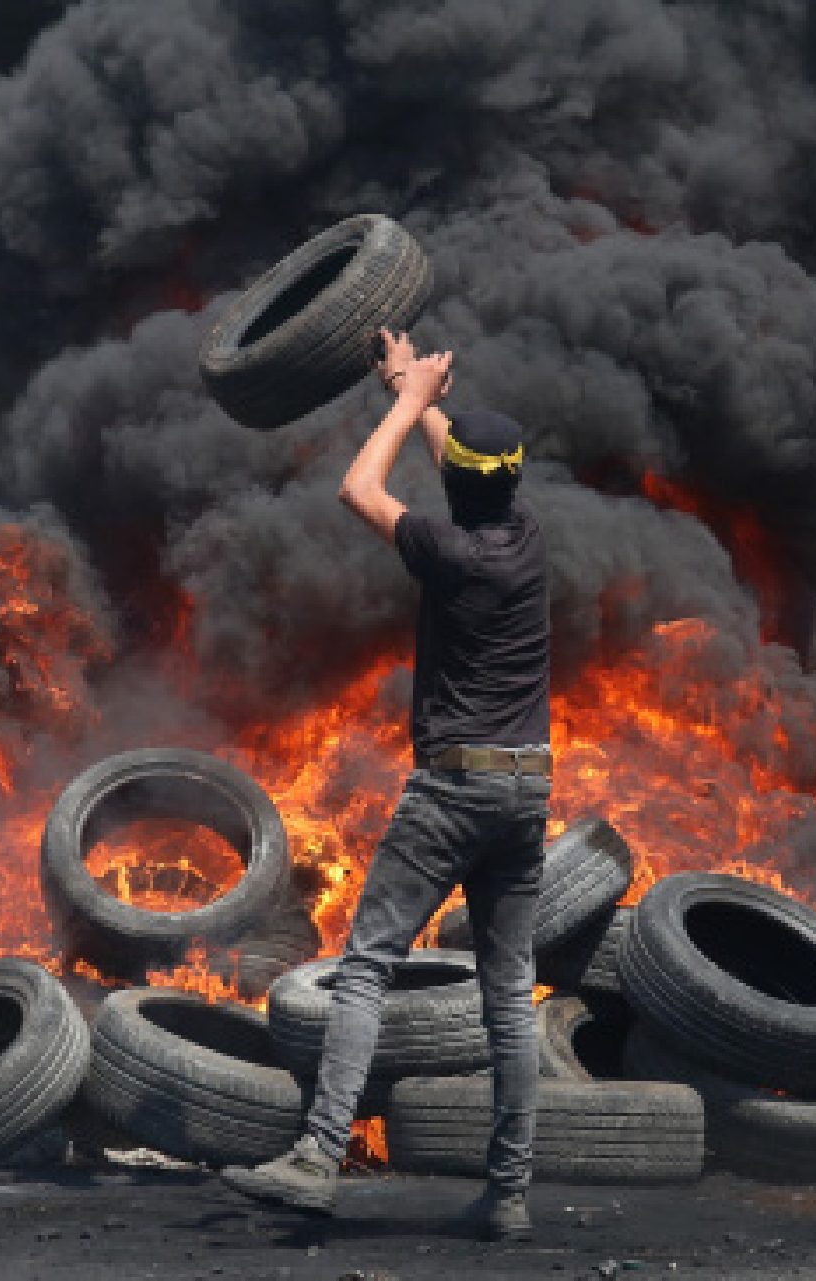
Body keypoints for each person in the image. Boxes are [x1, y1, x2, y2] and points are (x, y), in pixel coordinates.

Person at [220, 330, 553, 1241]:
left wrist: (403, 406)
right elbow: (469, 464)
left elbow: (357, 490)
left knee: (365, 967)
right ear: (514, 477)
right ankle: (510, 1196)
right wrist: (417, 388)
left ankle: (318, 1156)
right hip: (528, 792)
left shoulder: (451, 552)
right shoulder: (525, 537)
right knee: (506, 991)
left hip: (454, 791)